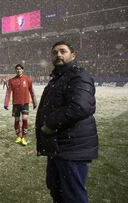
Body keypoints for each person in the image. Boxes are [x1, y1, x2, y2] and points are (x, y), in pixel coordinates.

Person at [35, 41, 98, 203]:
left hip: (72, 148)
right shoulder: (57, 78)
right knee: (57, 189)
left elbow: (80, 106)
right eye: (55, 52)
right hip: (58, 147)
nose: (58, 55)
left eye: (63, 51)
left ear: (73, 55)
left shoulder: (79, 75)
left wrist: (49, 124)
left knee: (73, 196)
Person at [4, 64, 37, 146]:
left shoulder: (28, 79)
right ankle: (18, 136)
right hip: (16, 104)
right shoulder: (12, 80)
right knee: (17, 120)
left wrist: (34, 102)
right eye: (17, 69)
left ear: (23, 70)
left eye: (20, 69)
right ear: (15, 70)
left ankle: (24, 137)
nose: (18, 70)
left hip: (25, 103)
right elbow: (8, 92)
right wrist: (6, 103)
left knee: (25, 119)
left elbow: (32, 91)